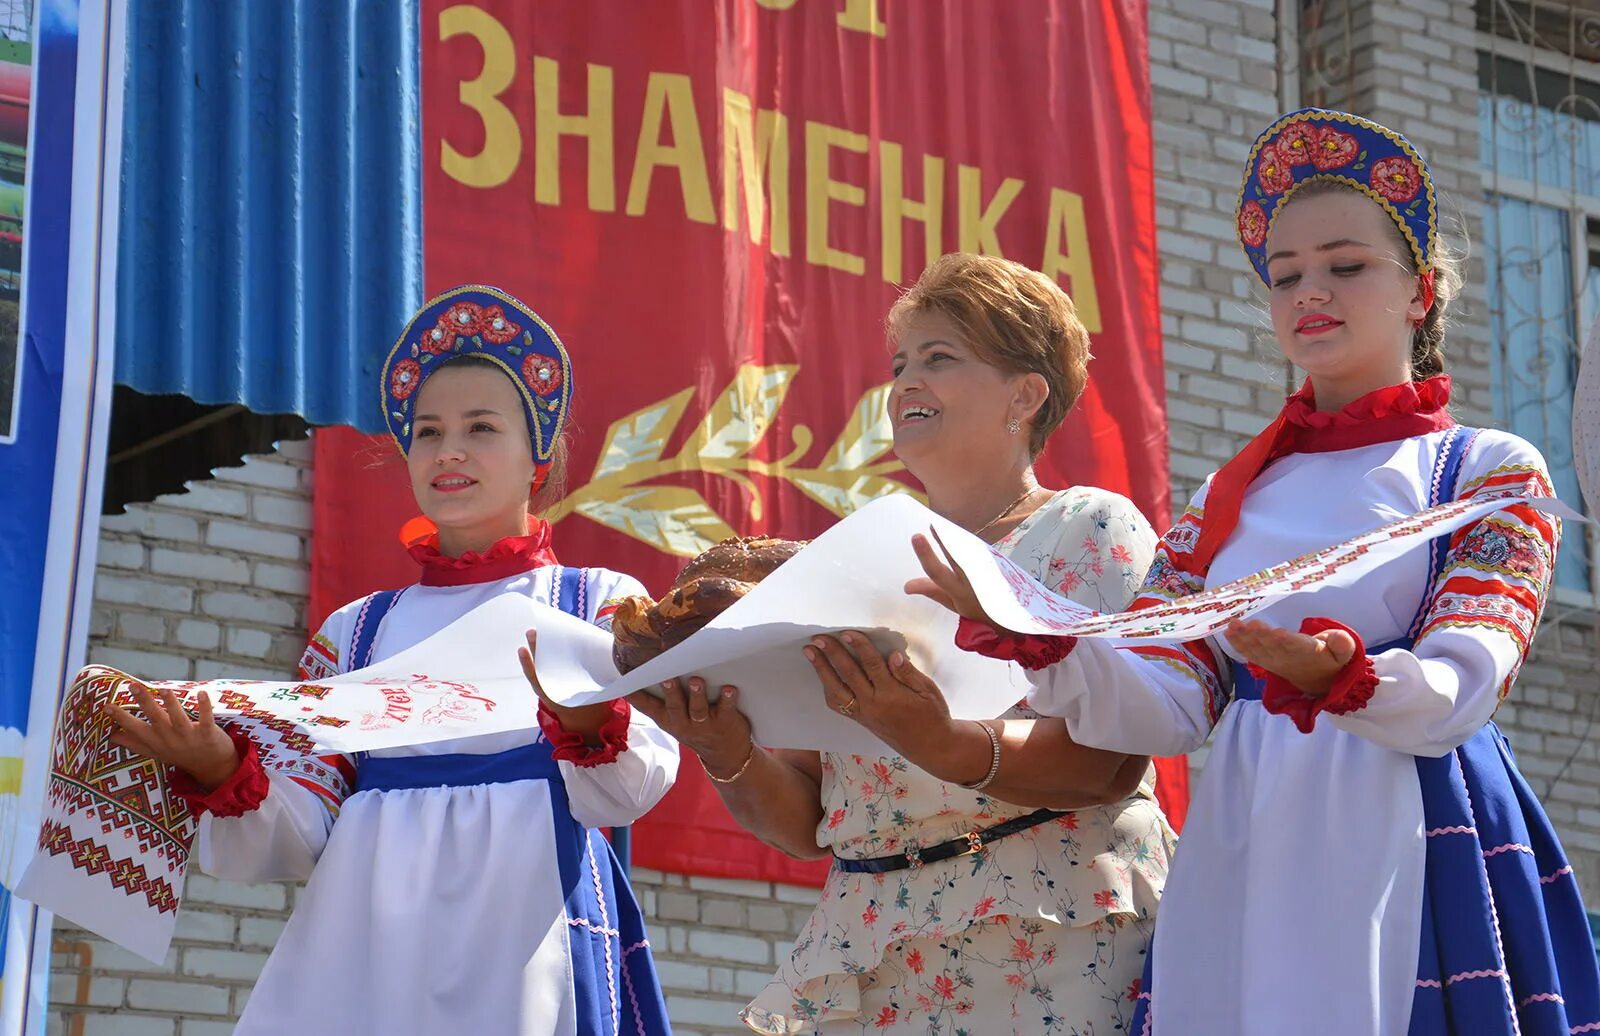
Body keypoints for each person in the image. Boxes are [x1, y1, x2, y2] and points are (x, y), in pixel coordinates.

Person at [914, 110, 1600, 1035]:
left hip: (1405, 818)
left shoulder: (1485, 467)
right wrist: (1035, 634)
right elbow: (1169, 702)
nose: (1310, 292)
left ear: (1421, 291)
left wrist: (1349, 678)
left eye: (1345, 266)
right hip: (1245, 836)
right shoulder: (1225, 497)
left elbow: (1465, 678)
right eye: (1286, 276)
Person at [105, 285, 677, 1036]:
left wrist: (589, 719)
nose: (450, 451)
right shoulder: (357, 632)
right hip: (363, 941)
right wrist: (219, 767)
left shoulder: (594, 600)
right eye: (428, 431)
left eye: (482, 428)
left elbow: (626, 791)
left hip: (528, 926)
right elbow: (300, 830)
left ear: (539, 455)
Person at [635, 253, 1174, 1034]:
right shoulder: (855, 556)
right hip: (868, 949)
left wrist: (943, 741)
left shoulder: (1088, 528)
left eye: (940, 358)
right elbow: (808, 823)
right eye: (901, 364)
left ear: (1025, 395)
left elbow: (1109, 761)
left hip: (1049, 932)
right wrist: (725, 750)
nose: (906, 382)